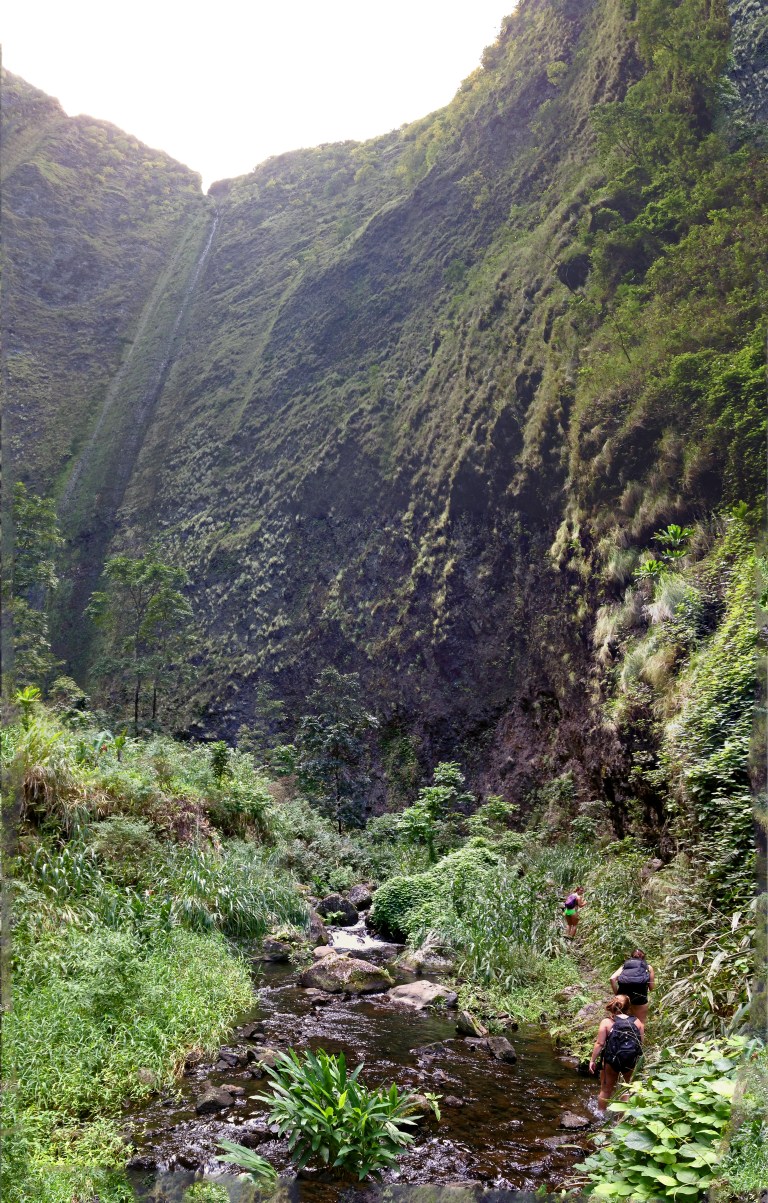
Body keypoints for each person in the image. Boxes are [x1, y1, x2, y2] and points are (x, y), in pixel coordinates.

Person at [589, 994, 644, 1111]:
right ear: (628, 1006)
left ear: (613, 1004)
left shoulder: (607, 1022)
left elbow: (600, 1043)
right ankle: (623, 1117)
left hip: (611, 1060)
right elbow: (640, 1044)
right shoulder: (637, 1022)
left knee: (605, 1090)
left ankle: (600, 1115)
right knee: (628, 1088)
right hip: (630, 1060)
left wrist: (592, 1060)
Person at [610, 948, 655, 1024]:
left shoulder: (624, 966)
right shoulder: (648, 967)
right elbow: (652, 988)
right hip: (640, 997)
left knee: (619, 1023)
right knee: (640, 1023)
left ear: (631, 957)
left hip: (622, 997)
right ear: (643, 957)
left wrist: (617, 994)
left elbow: (612, 978)